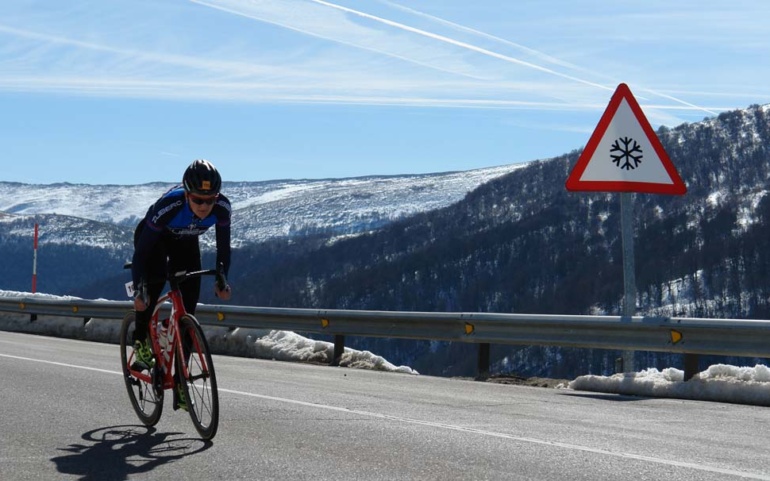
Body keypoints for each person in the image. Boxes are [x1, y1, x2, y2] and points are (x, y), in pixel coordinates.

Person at [130, 159, 232, 410]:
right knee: (151, 291)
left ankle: (181, 382)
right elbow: (142, 253)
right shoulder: (169, 206)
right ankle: (141, 340)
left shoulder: (222, 208)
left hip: (186, 244)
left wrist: (222, 279)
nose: (204, 206)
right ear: (187, 195)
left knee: (188, 313)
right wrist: (139, 288)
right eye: (198, 200)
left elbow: (223, 249)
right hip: (154, 241)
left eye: (210, 200)